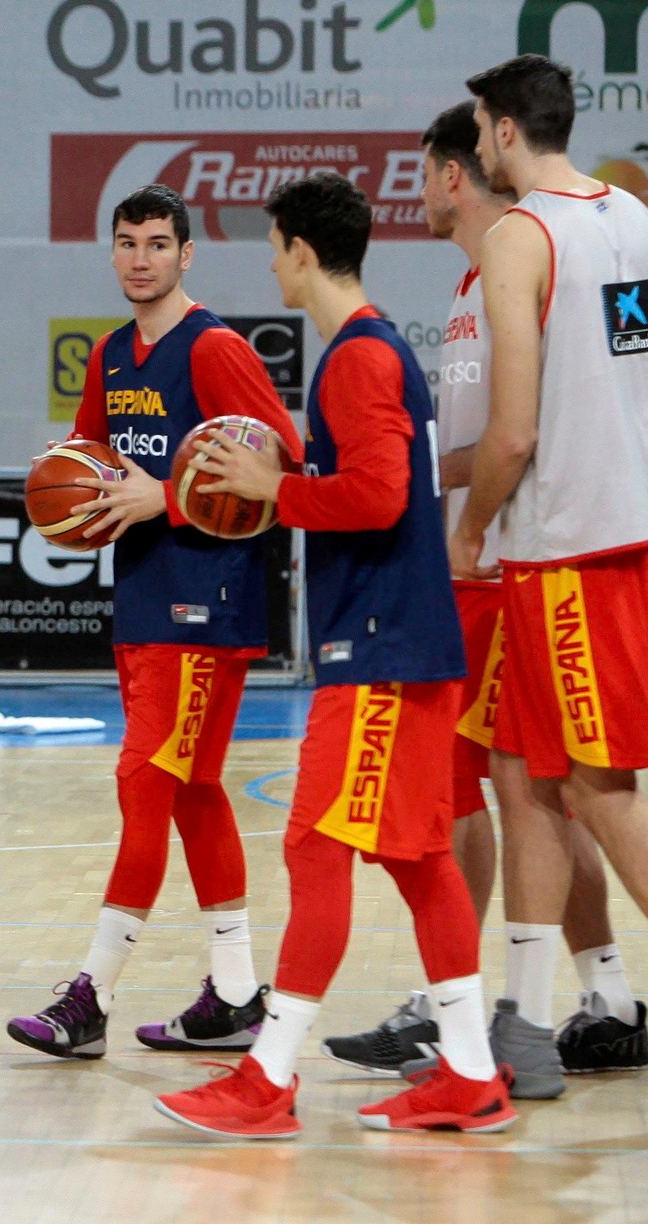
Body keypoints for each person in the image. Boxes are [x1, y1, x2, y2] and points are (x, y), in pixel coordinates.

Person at [156, 172, 513, 1138]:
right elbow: (368, 481)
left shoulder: (357, 358)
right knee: (421, 860)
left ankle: (267, 1079)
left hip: (382, 652)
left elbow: (381, 496)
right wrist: (291, 475)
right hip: (409, 643)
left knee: (318, 846)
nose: (270, 264)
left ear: (303, 253)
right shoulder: (374, 350)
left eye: (274, 248)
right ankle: (472, 1071)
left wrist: (279, 489)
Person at [323, 100, 642, 1084]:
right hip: (528, 555)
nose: (415, 192)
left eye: (423, 173)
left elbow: (515, 433)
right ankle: (582, 1000)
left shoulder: (532, 244)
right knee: (532, 783)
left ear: (472, 162)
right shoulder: (487, 273)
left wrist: (436, 498)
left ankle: (464, 1001)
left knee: (556, 786)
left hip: (530, 564)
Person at [5, 184, 296, 1059]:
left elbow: (281, 457)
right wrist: (62, 489)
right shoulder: (110, 356)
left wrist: (165, 495)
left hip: (205, 601)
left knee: (144, 786)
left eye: (158, 243)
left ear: (186, 255)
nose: (141, 258)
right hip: (143, 593)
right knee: (196, 794)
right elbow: (90, 462)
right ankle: (238, 994)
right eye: (127, 243)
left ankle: (89, 996)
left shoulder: (214, 348)